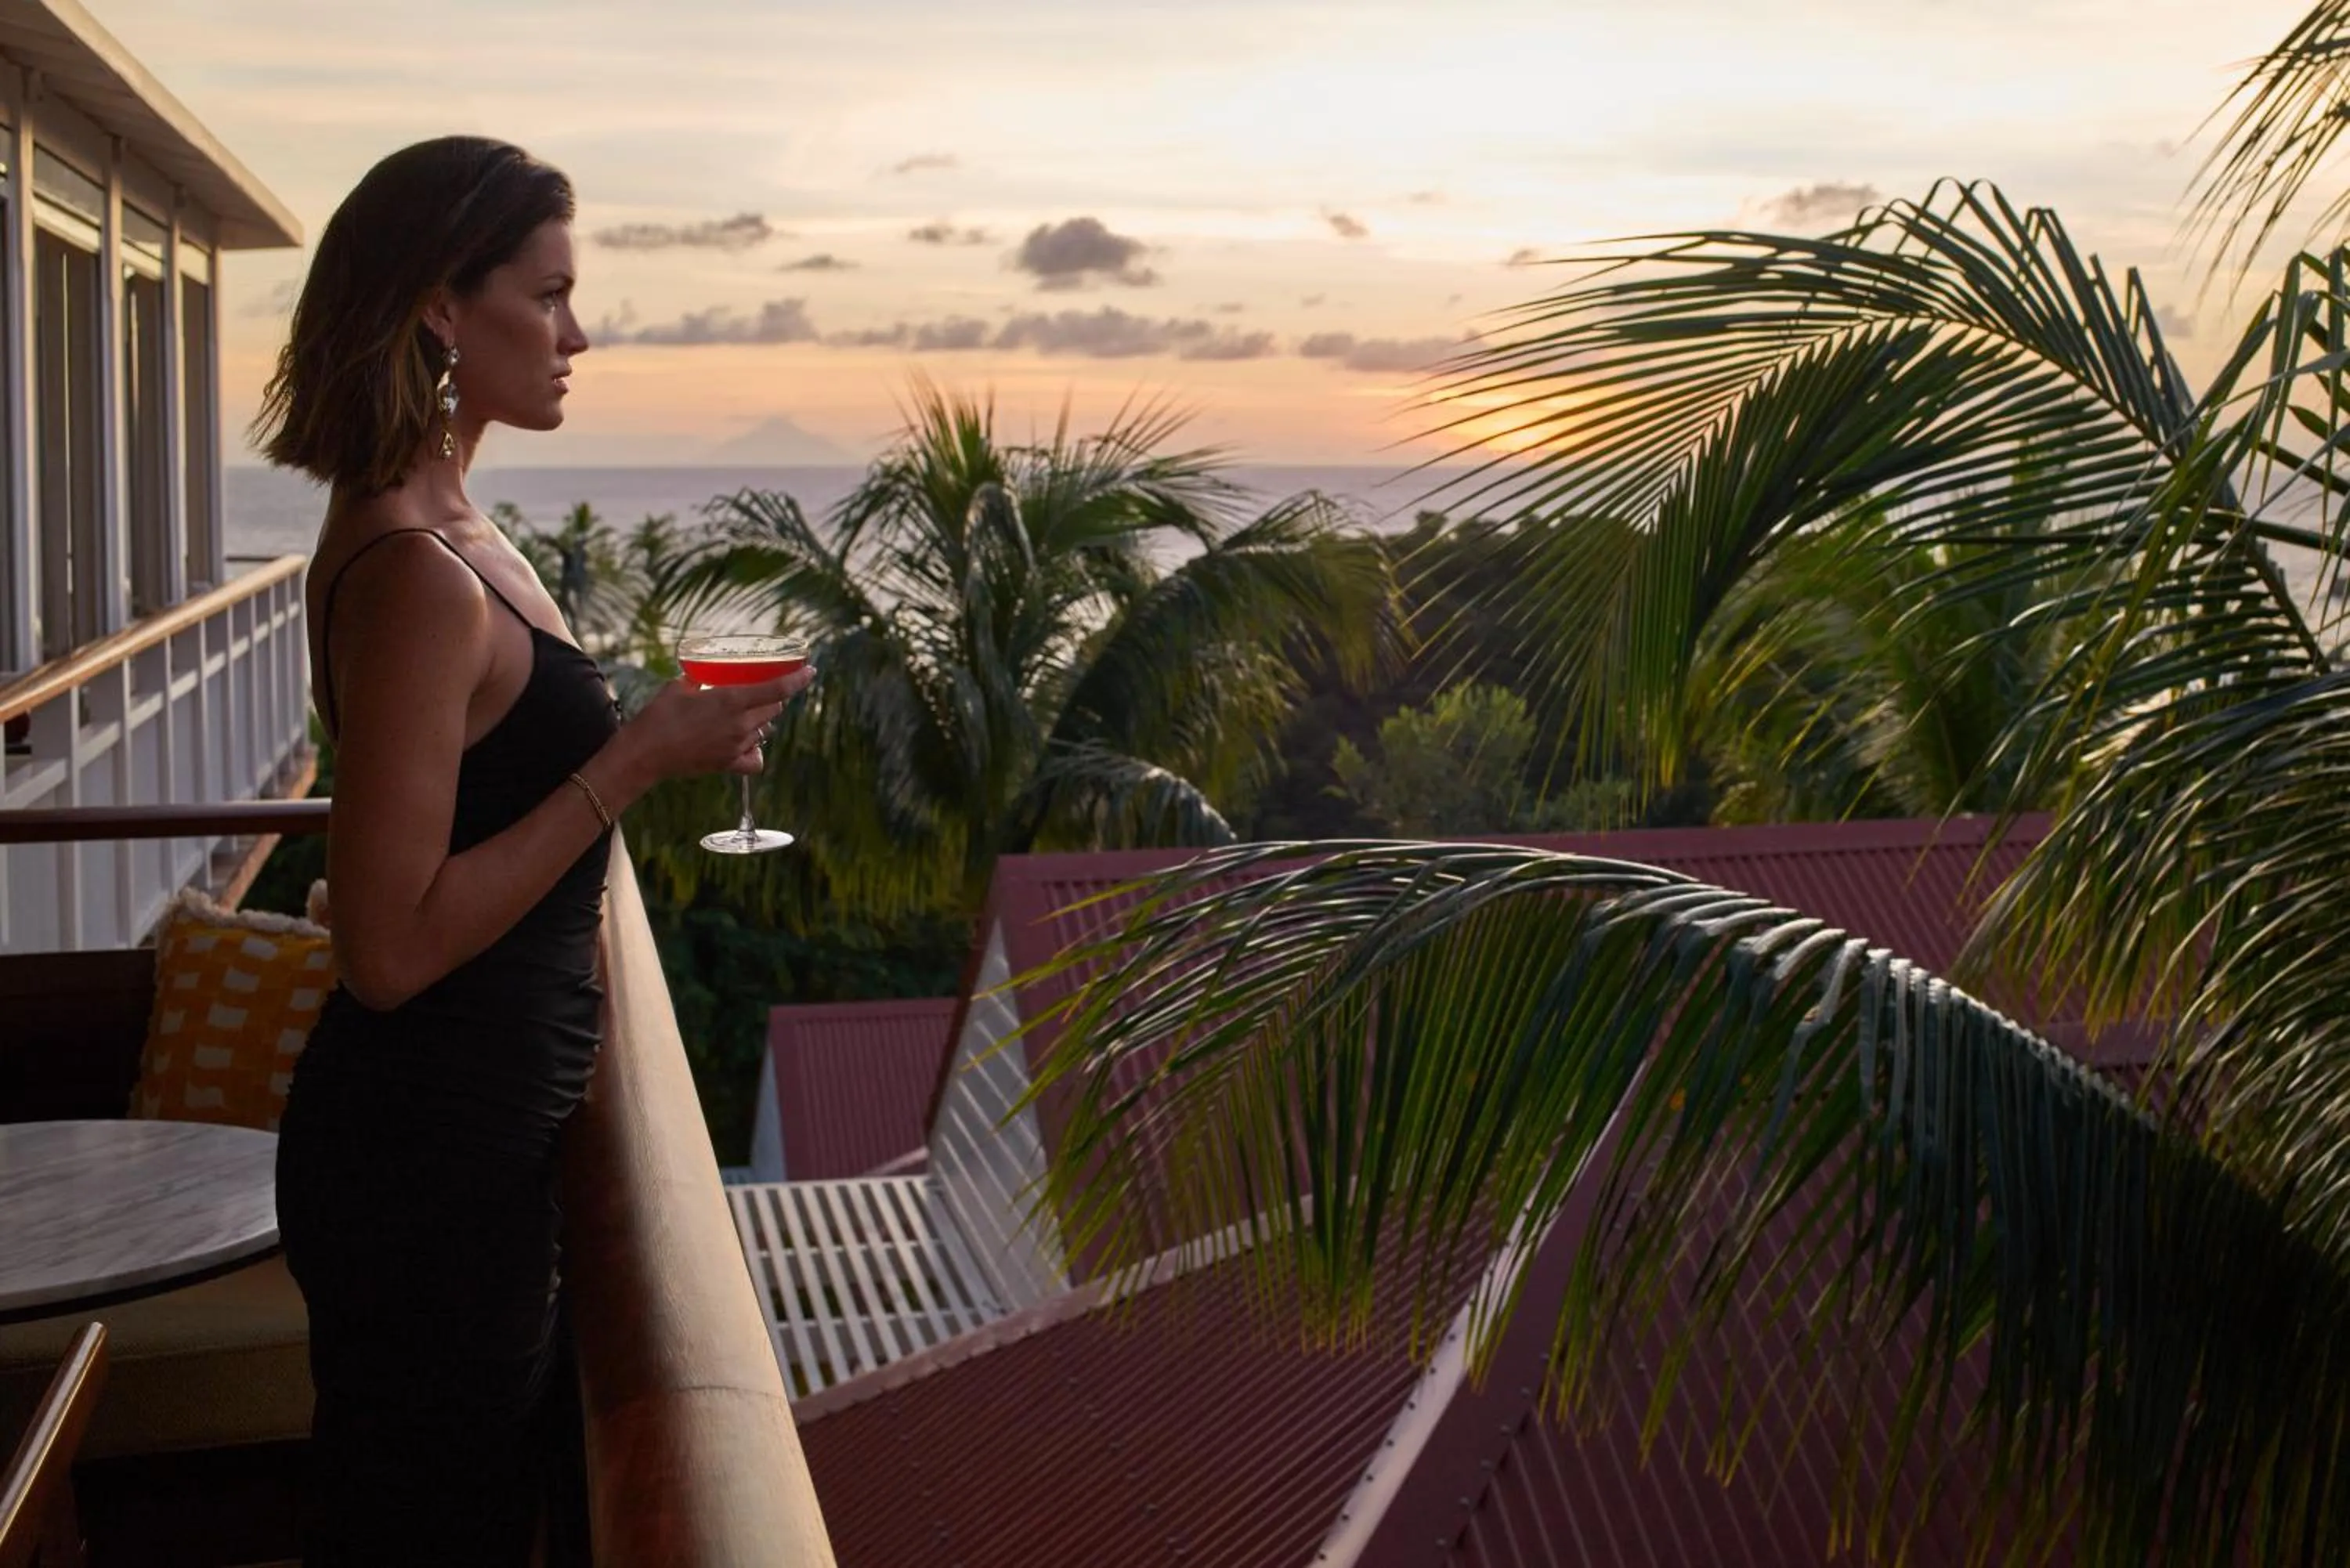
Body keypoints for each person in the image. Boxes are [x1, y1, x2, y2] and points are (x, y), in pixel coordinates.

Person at [252, 136, 804, 1566]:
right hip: (427, 1170)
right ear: (445, 307)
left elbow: (457, 805)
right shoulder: (415, 569)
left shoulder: (451, 522)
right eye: (548, 297)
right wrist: (635, 760)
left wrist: (657, 753)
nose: (578, 334)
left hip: (474, 1150)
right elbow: (385, 950)